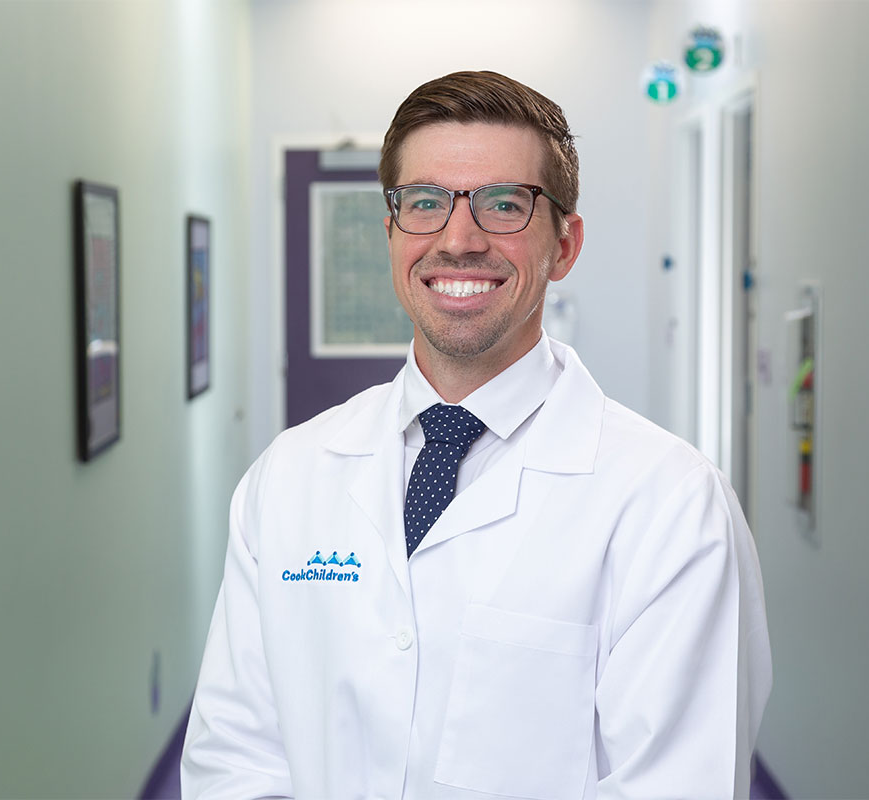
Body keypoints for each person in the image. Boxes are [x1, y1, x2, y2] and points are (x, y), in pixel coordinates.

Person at [182, 70, 771, 799]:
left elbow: (678, 786)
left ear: (565, 243)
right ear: (392, 232)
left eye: (503, 204)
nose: (459, 240)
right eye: (424, 203)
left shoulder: (673, 507)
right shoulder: (289, 477)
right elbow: (234, 756)